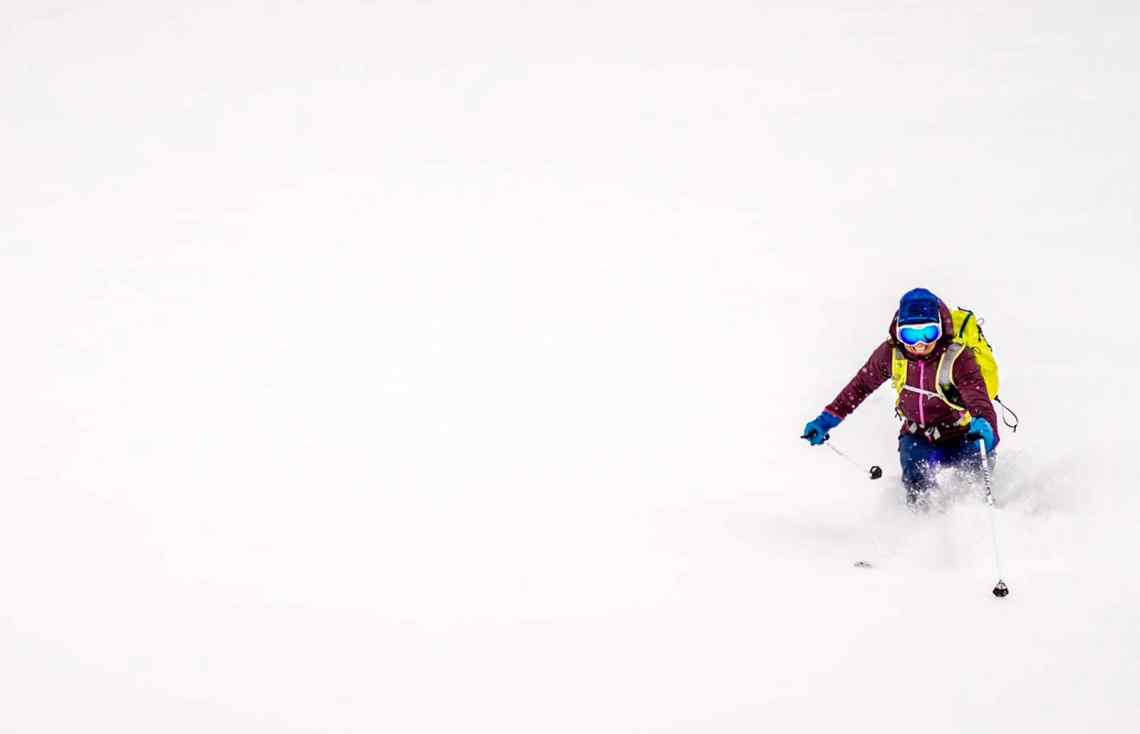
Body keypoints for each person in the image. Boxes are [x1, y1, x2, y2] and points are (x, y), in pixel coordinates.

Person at [801, 288, 999, 503]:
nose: (919, 344)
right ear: (898, 332)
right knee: (918, 490)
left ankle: (975, 525)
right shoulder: (890, 353)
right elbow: (860, 386)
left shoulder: (958, 356)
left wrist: (985, 426)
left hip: (963, 435)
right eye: (910, 335)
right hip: (919, 438)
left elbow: (977, 396)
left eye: (928, 333)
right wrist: (826, 420)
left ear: (941, 330)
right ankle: (921, 529)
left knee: (972, 489)